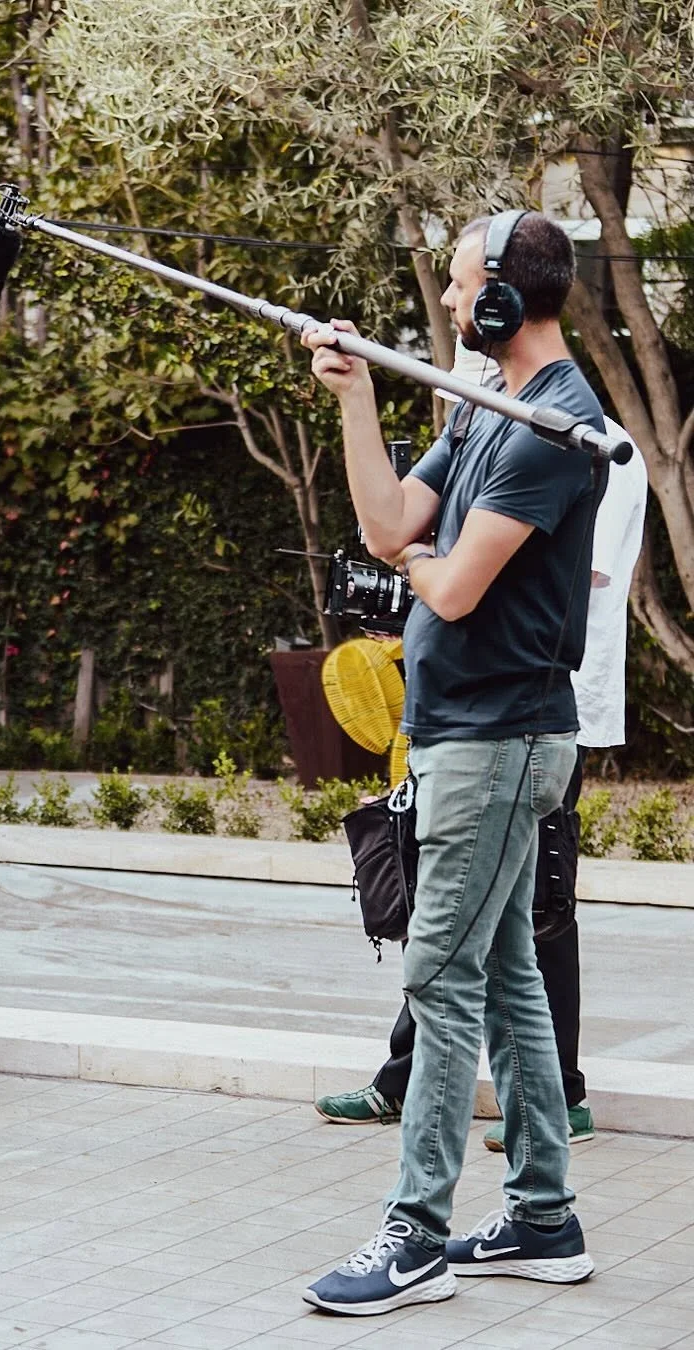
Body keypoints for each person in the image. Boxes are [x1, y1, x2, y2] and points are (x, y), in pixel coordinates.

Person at [300, 211, 605, 1316]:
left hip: (500, 738)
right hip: (474, 734)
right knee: (512, 977)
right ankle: (541, 1216)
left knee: (439, 974)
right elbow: (389, 529)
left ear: (500, 303)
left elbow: (454, 585)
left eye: (463, 288)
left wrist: (425, 562)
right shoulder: (485, 413)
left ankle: (416, 1235)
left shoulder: (557, 426)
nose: (446, 308)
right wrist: (354, 398)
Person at [315, 405, 647, 1152]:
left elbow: (553, 573)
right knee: (456, 904)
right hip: (474, 710)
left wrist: (431, 571)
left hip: (545, 713)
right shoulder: (487, 428)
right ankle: (410, 1080)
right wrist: (421, 599)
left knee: (537, 909)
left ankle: (562, 1099)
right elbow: (444, 560)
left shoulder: (595, 445)